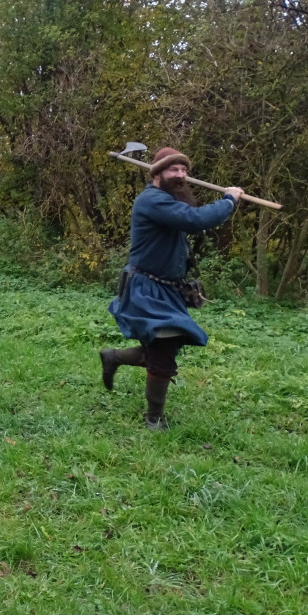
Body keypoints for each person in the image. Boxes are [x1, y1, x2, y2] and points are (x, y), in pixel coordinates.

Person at [102, 147, 243, 431]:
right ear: (158, 173)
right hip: (145, 287)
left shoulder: (167, 199)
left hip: (165, 288)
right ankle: (154, 418)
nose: (181, 175)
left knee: (163, 345)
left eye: (184, 170)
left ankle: (114, 357)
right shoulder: (152, 201)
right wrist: (229, 200)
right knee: (163, 349)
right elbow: (196, 220)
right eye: (173, 170)